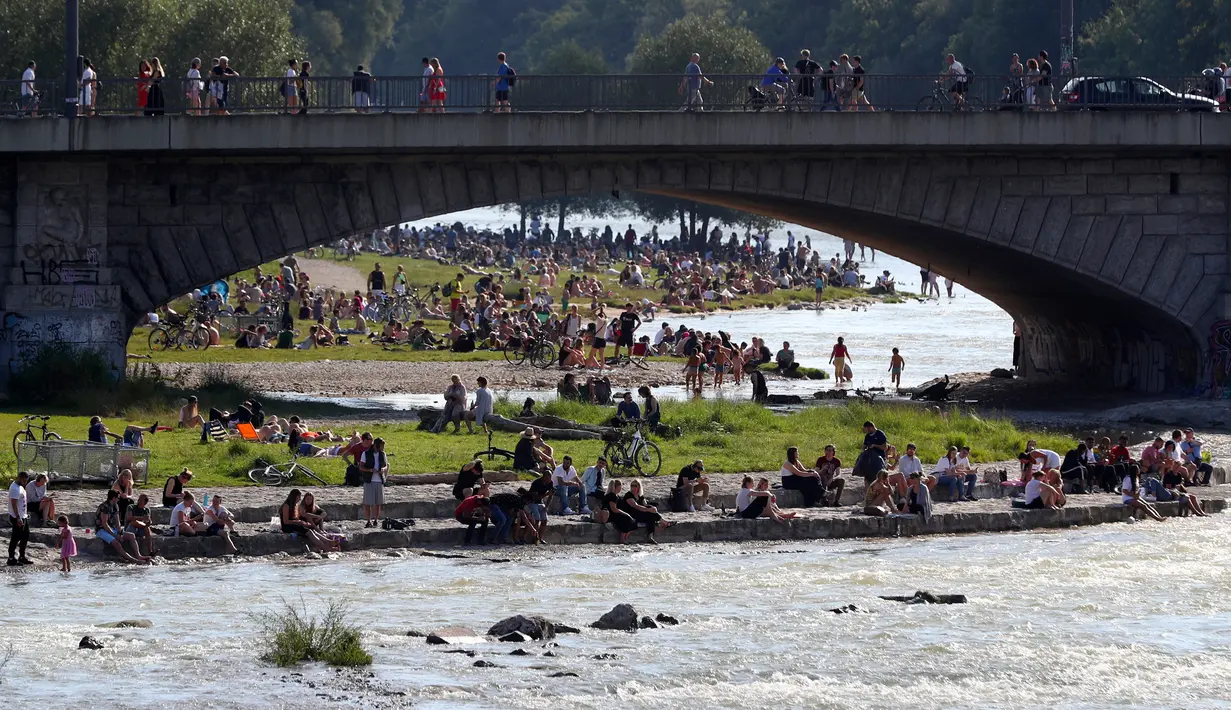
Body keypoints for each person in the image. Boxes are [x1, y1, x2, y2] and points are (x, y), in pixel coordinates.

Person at [96, 489, 149, 563]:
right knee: (116, 543)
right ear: (113, 498)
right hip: (101, 530)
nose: (118, 499)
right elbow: (105, 524)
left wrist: (120, 533)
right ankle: (133, 560)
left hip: (112, 528)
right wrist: (115, 535)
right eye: (117, 498)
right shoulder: (104, 507)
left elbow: (117, 522)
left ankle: (138, 555)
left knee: (131, 535)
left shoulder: (115, 506)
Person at [621, 479, 670, 543]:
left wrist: (652, 508)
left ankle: (650, 535)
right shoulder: (629, 495)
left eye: (635, 486)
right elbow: (636, 506)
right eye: (632, 485)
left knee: (651, 514)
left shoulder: (640, 496)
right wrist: (648, 509)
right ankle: (664, 522)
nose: (633, 487)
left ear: (639, 487)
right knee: (650, 513)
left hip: (640, 513)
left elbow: (645, 505)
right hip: (632, 514)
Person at [360, 437, 389, 527]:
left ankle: (376, 520)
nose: (382, 448)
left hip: (379, 480)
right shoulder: (366, 453)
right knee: (368, 503)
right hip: (369, 480)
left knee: (377, 503)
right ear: (376, 446)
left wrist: (382, 470)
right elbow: (361, 466)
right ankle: (368, 521)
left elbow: (385, 466)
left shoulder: (382, 454)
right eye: (381, 446)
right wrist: (370, 470)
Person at [8, 471, 31, 566]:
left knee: (25, 536)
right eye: (24, 480)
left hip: (23, 516)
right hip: (16, 517)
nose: (25, 483)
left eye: (26, 481)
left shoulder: (20, 486)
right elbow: (14, 504)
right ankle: (11, 558)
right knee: (15, 538)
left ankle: (22, 557)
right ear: (19, 478)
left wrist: (24, 515)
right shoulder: (14, 488)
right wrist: (18, 518)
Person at [125, 494, 155, 558]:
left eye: (141, 499)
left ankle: (150, 551)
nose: (139, 500)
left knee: (147, 528)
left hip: (141, 529)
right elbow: (129, 518)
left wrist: (149, 522)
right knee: (135, 522)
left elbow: (149, 520)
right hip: (131, 528)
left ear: (145, 502)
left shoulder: (146, 510)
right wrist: (142, 518)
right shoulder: (131, 507)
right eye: (139, 499)